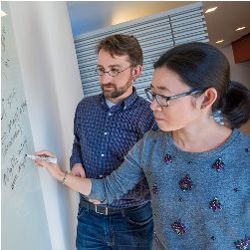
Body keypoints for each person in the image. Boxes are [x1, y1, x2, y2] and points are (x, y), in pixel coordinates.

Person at [35, 42, 250, 250]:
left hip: (133, 219)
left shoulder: (244, 156)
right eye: (153, 93)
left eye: (164, 96)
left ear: (206, 99)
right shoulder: (151, 145)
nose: (154, 105)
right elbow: (108, 188)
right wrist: (59, 173)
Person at [70, 34, 155, 249]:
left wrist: (105, 192)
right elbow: (78, 142)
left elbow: (154, 173)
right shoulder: (84, 107)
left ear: (136, 71)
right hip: (89, 216)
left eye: (115, 70)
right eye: (101, 69)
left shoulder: (150, 116)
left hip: (133, 219)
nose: (104, 79)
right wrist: (76, 162)